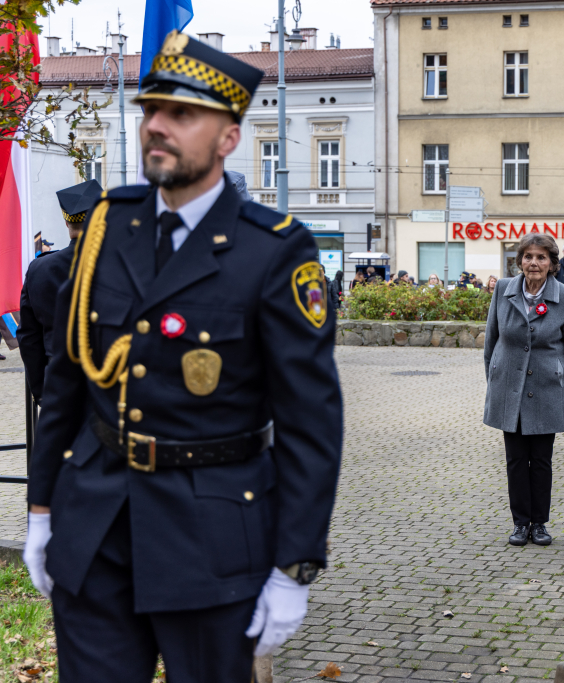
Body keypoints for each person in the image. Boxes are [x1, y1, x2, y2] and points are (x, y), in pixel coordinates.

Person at [21, 31, 344, 680]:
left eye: (182, 114)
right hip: (97, 524)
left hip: (214, 534)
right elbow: (66, 379)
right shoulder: (110, 223)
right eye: (150, 111)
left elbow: (312, 421)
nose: (157, 127)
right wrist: (41, 508)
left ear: (228, 137)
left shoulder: (274, 250)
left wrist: (295, 564)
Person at [483, 233, 564, 546]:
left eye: (541, 257)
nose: (534, 263)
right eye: (528, 257)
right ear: (520, 261)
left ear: (552, 263)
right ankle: (519, 524)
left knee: (541, 461)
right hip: (508, 389)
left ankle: (539, 523)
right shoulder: (502, 289)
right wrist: (495, 381)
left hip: (547, 389)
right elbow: (491, 341)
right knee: (515, 460)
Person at [18, 179, 104, 402]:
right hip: (116, 389)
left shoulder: (39, 269)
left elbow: (29, 338)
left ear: (67, 224)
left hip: (61, 388)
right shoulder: (126, 262)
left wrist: (43, 394)